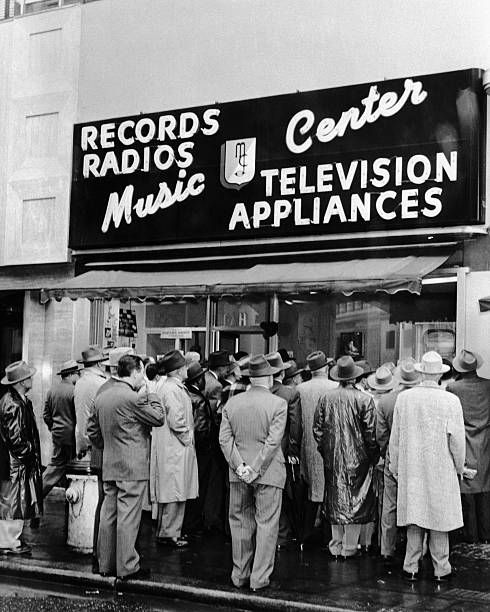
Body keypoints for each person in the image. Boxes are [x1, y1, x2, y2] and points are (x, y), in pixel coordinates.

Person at [389, 351, 465, 582]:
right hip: (441, 468)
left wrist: (395, 465)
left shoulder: (405, 398)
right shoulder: (451, 401)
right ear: (440, 375)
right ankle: (441, 567)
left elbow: (396, 438)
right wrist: (459, 467)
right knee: (439, 520)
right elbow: (458, 441)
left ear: (421, 372)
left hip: (413, 469)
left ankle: (410, 565)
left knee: (415, 516)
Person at [90, 354, 165, 580]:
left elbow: (93, 431)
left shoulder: (102, 396)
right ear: (134, 372)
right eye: (141, 372)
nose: (143, 376)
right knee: (128, 517)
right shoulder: (132, 398)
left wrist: (109, 446)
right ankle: (127, 566)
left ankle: (106, 564)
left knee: (109, 514)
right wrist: (151, 390)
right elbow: (158, 417)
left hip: (110, 462)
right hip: (132, 466)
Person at [219, 355, 287, 591]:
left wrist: (240, 467)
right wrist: (255, 469)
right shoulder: (278, 404)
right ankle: (259, 579)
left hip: (237, 473)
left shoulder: (232, 403)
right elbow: (273, 442)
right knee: (267, 524)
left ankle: (239, 575)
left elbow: (224, 439)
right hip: (268, 473)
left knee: (239, 523)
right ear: (268, 378)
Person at [313, 356, 378, 559]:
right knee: (357, 503)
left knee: (335, 500)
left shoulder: (326, 398)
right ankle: (350, 547)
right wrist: (373, 456)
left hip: (333, 458)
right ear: (356, 377)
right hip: (359, 459)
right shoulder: (364, 399)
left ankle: (336, 545)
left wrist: (326, 450)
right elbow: (371, 434)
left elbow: (318, 430)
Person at [86, 346, 133, 574]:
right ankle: (114, 559)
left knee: (108, 509)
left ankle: (104, 558)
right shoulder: (122, 391)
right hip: (114, 458)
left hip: (103, 454)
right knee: (114, 510)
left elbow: (92, 428)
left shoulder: (103, 388)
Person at [150, 350, 198, 547]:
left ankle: (169, 531)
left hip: (173, 448)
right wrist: (188, 439)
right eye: (185, 367)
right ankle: (169, 534)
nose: (187, 370)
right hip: (175, 448)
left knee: (174, 489)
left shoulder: (171, 386)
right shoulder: (171, 389)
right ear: (178, 370)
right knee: (174, 491)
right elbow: (176, 420)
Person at [376, 360, 421, 570]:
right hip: (416, 459)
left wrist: (386, 452)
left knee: (390, 505)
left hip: (392, 459)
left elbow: (381, 434)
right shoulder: (419, 401)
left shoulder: (385, 401)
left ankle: (387, 548)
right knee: (417, 504)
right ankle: (418, 551)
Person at [447, 349, 490, 543]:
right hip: (485, 441)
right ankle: (486, 535)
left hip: (465, 440)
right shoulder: (488, 386)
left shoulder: (454, 388)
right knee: (485, 489)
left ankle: (470, 536)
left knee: (466, 490)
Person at [0, 361, 42, 554]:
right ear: (21, 381)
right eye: (29, 377)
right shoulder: (14, 404)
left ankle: (11, 540)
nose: (32, 379)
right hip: (15, 463)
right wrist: (30, 452)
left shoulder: (16, 400)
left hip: (16, 462)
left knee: (15, 502)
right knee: (13, 502)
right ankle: (8, 542)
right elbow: (16, 439)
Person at [296, 351, 337, 544]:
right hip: (330, 446)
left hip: (307, 446)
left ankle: (304, 536)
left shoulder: (300, 389)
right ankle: (328, 538)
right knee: (329, 490)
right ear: (326, 368)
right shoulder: (335, 387)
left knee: (310, 492)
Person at [265, 352, 302, 548]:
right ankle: (282, 535)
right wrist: (294, 453)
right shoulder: (290, 393)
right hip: (283, 450)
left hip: (260, 451)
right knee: (285, 495)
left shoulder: (258, 393)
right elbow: (295, 426)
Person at [183, 361, 217, 536]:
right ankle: (194, 524)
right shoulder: (199, 399)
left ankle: (188, 522)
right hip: (201, 450)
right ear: (198, 380)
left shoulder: (186, 394)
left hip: (189, 449)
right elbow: (201, 428)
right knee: (200, 487)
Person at [42, 359, 82, 498]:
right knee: (61, 467)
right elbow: (78, 415)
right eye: (78, 373)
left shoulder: (52, 390)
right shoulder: (74, 391)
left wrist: (53, 428)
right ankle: (36, 494)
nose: (79, 376)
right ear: (71, 374)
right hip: (70, 436)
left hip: (57, 434)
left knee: (59, 465)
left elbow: (46, 415)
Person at [74, 346, 108, 459]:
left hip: (81, 441)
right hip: (95, 443)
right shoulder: (101, 383)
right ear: (99, 364)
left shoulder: (79, 382)